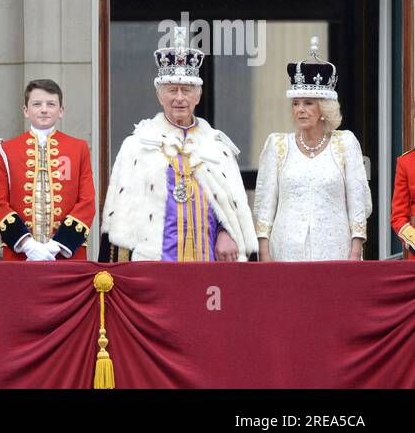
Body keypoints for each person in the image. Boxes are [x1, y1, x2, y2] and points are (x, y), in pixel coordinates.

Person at [101, 27, 255, 262]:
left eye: (186, 90)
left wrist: (227, 232)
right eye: (172, 90)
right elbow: (120, 217)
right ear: (160, 96)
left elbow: (231, 207)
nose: (179, 98)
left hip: (210, 263)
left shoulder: (218, 147)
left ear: (198, 96)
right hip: (153, 262)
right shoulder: (137, 145)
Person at [254, 37, 370, 261]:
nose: (300, 110)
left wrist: (355, 252)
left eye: (308, 103)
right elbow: (265, 205)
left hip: (334, 251)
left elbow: (358, 202)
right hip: (285, 252)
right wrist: (264, 253)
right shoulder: (277, 145)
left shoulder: (344, 144)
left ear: (324, 108)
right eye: (295, 103)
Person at [0, 79, 96, 261]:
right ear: (26, 110)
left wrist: (56, 246)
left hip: (65, 255)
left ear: (61, 111)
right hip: (20, 254)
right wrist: (28, 245)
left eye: (51, 104)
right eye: (37, 104)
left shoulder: (78, 148)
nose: (44, 109)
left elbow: (87, 202)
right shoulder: (7, 150)